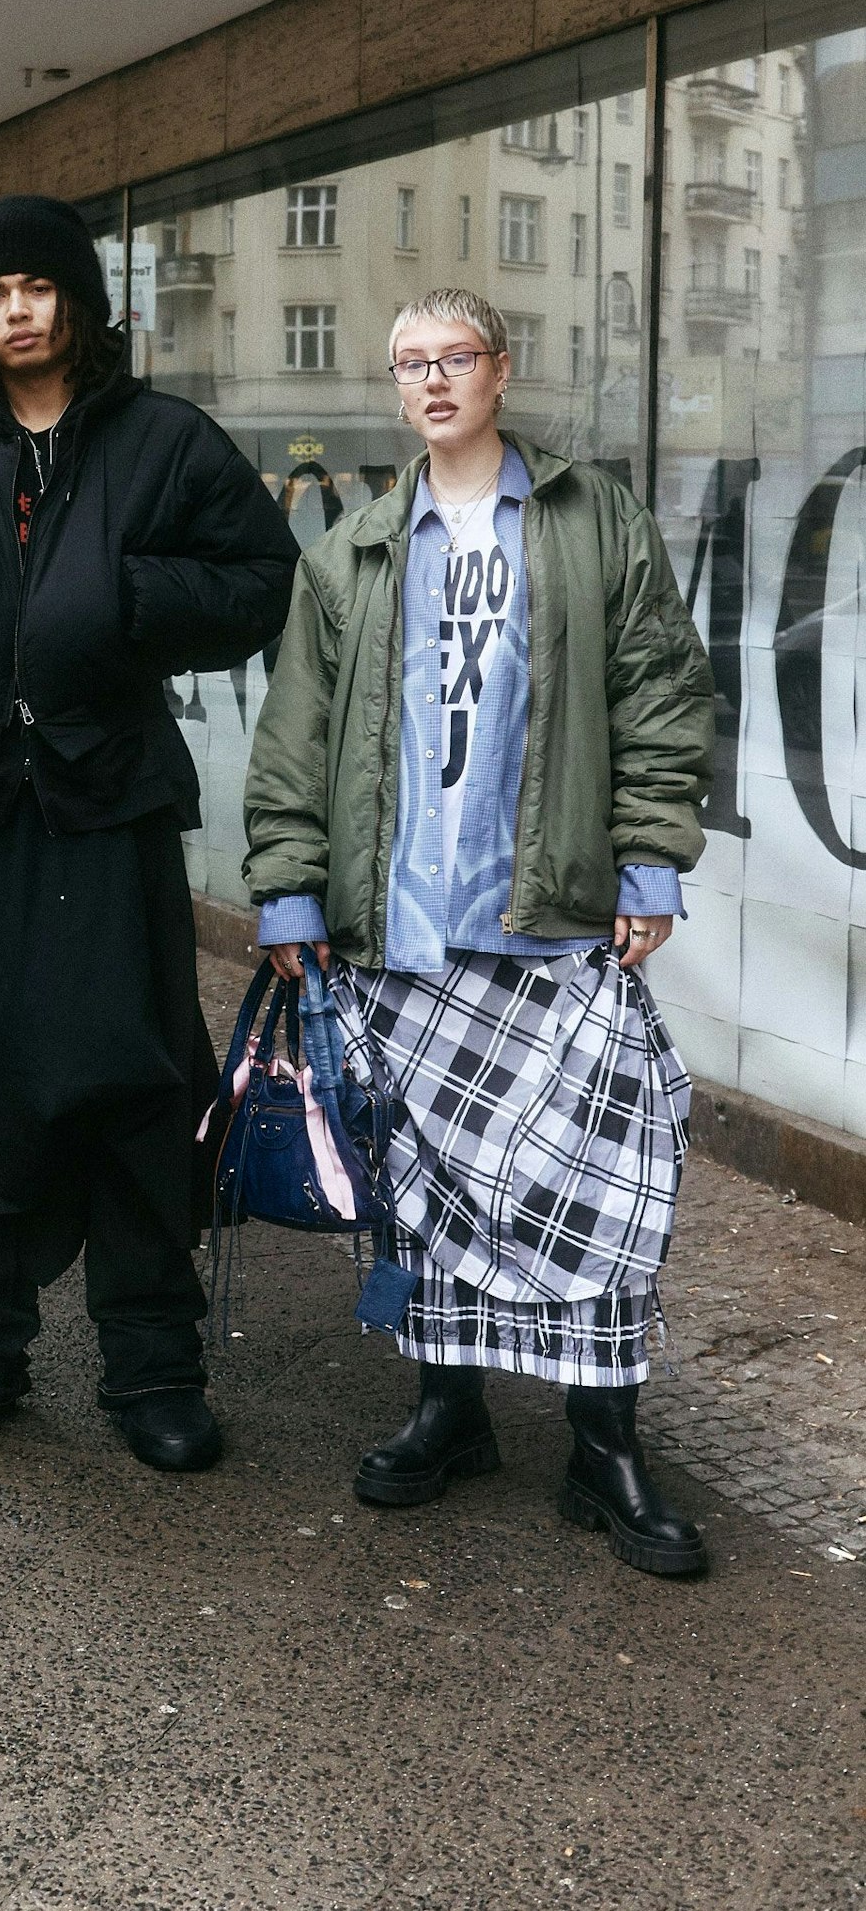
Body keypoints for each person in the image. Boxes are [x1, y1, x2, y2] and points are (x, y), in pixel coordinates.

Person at [0, 195, 299, 1472]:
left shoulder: (161, 441)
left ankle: (151, 1360)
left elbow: (257, 574)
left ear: (78, 302)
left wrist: (124, 599)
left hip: (111, 806)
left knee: (136, 1074)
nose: (17, 309)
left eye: (38, 285)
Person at [243, 287, 715, 1576]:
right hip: (401, 928)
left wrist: (647, 859)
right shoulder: (354, 548)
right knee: (423, 1188)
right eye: (409, 363)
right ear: (394, 386)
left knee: (601, 1187)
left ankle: (601, 1444)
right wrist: (289, 887)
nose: (432, 380)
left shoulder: (589, 518)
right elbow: (294, 733)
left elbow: (660, 686)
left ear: (498, 371)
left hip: (553, 919)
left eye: (453, 357)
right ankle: (448, 1416)